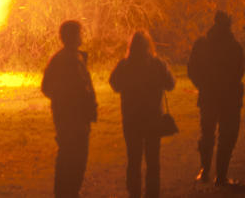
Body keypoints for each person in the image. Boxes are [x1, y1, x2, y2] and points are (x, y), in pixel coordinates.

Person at [110, 31, 175, 198]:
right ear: (149, 45)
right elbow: (170, 84)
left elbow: (114, 84)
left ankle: (134, 193)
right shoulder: (157, 64)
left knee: (133, 159)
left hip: (131, 119)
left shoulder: (124, 65)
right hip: (153, 118)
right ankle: (152, 193)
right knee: (153, 160)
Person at [187, 10, 245, 185]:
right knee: (227, 135)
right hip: (229, 98)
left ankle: (205, 170)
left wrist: (202, 86)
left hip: (209, 96)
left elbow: (192, 69)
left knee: (207, 134)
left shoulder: (203, 44)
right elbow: (239, 71)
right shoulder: (233, 46)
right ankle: (220, 175)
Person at [41, 20, 98, 198]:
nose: (81, 36)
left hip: (80, 118)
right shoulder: (62, 60)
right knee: (69, 157)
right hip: (69, 119)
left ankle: (71, 191)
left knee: (78, 158)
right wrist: (66, 102)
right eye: (79, 33)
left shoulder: (77, 57)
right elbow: (47, 87)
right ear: (71, 36)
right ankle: (66, 193)